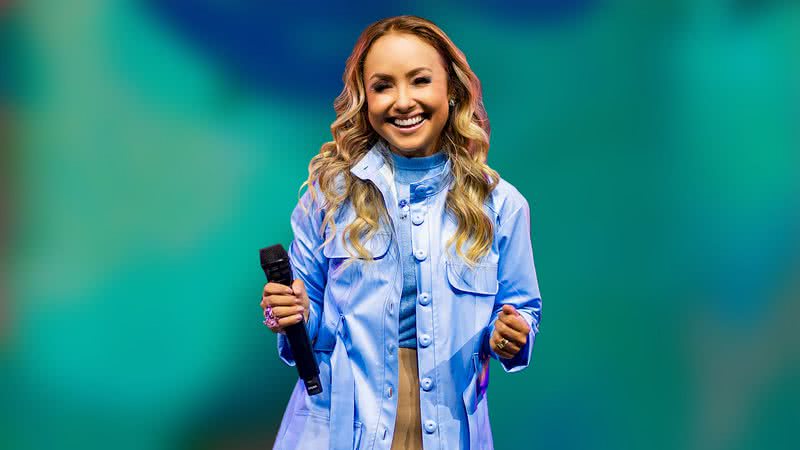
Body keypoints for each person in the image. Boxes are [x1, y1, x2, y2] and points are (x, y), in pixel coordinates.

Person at [261, 15, 542, 450]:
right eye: (383, 86)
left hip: (450, 433)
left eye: (420, 80)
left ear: (451, 90)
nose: (403, 101)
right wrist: (290, 312)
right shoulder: (328, 197)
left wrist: (509, 334)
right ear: (364, 99)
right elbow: (309, 325)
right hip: (336, 431)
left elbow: (521, 310)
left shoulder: (501, 205)